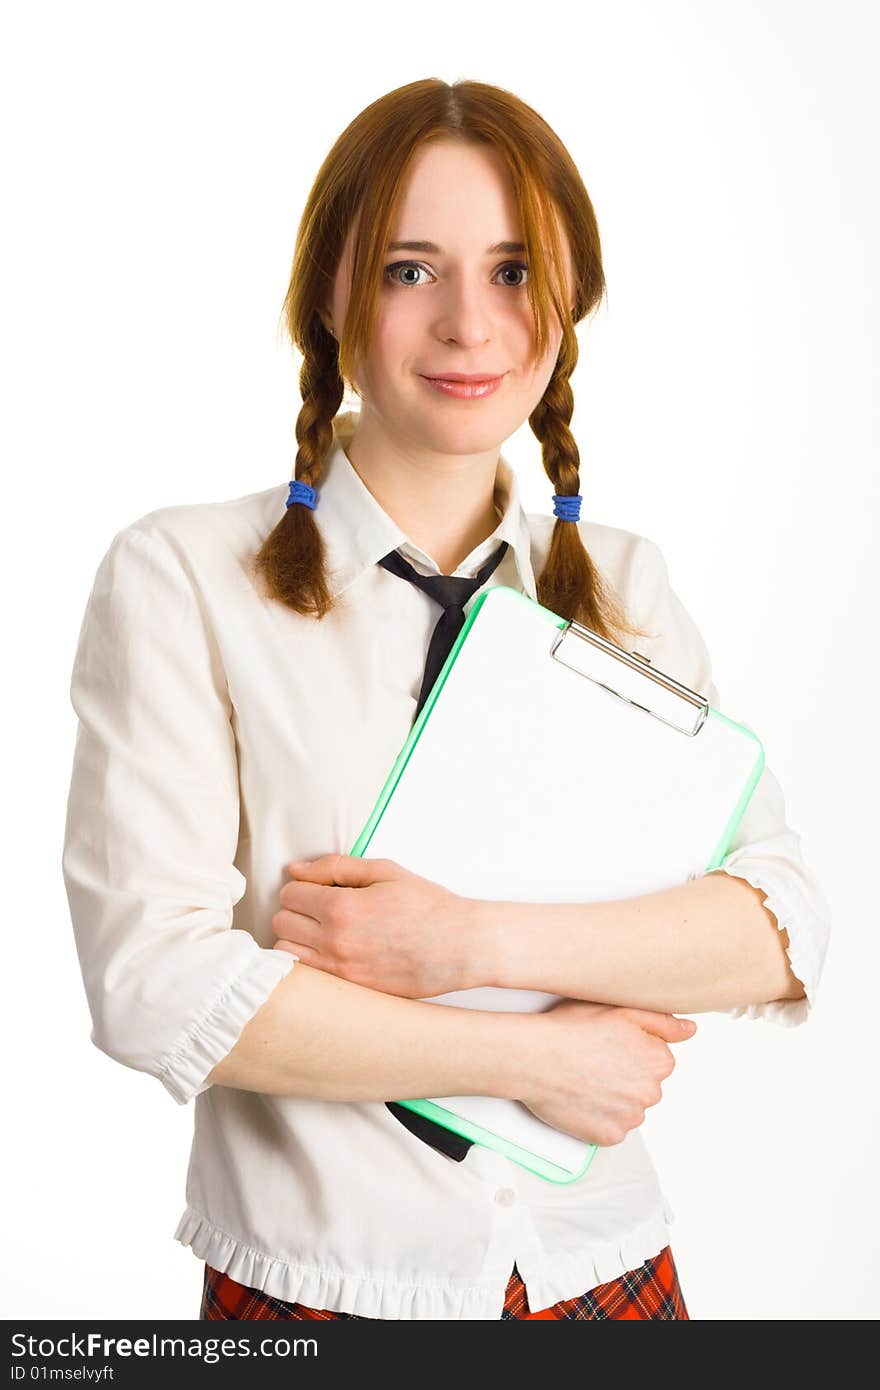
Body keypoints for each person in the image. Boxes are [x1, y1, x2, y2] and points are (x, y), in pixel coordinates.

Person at [61, 77, 831, 1322]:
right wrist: (529, 1057)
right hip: (318, 1289)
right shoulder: (183, 577)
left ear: (568, 295)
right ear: (330, 292)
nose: (471, 323)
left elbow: (778, 922)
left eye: (515, 270)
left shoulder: (625, 585)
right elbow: (152, 979)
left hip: (605, 1270)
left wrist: (468, 943)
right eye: (412, 270)